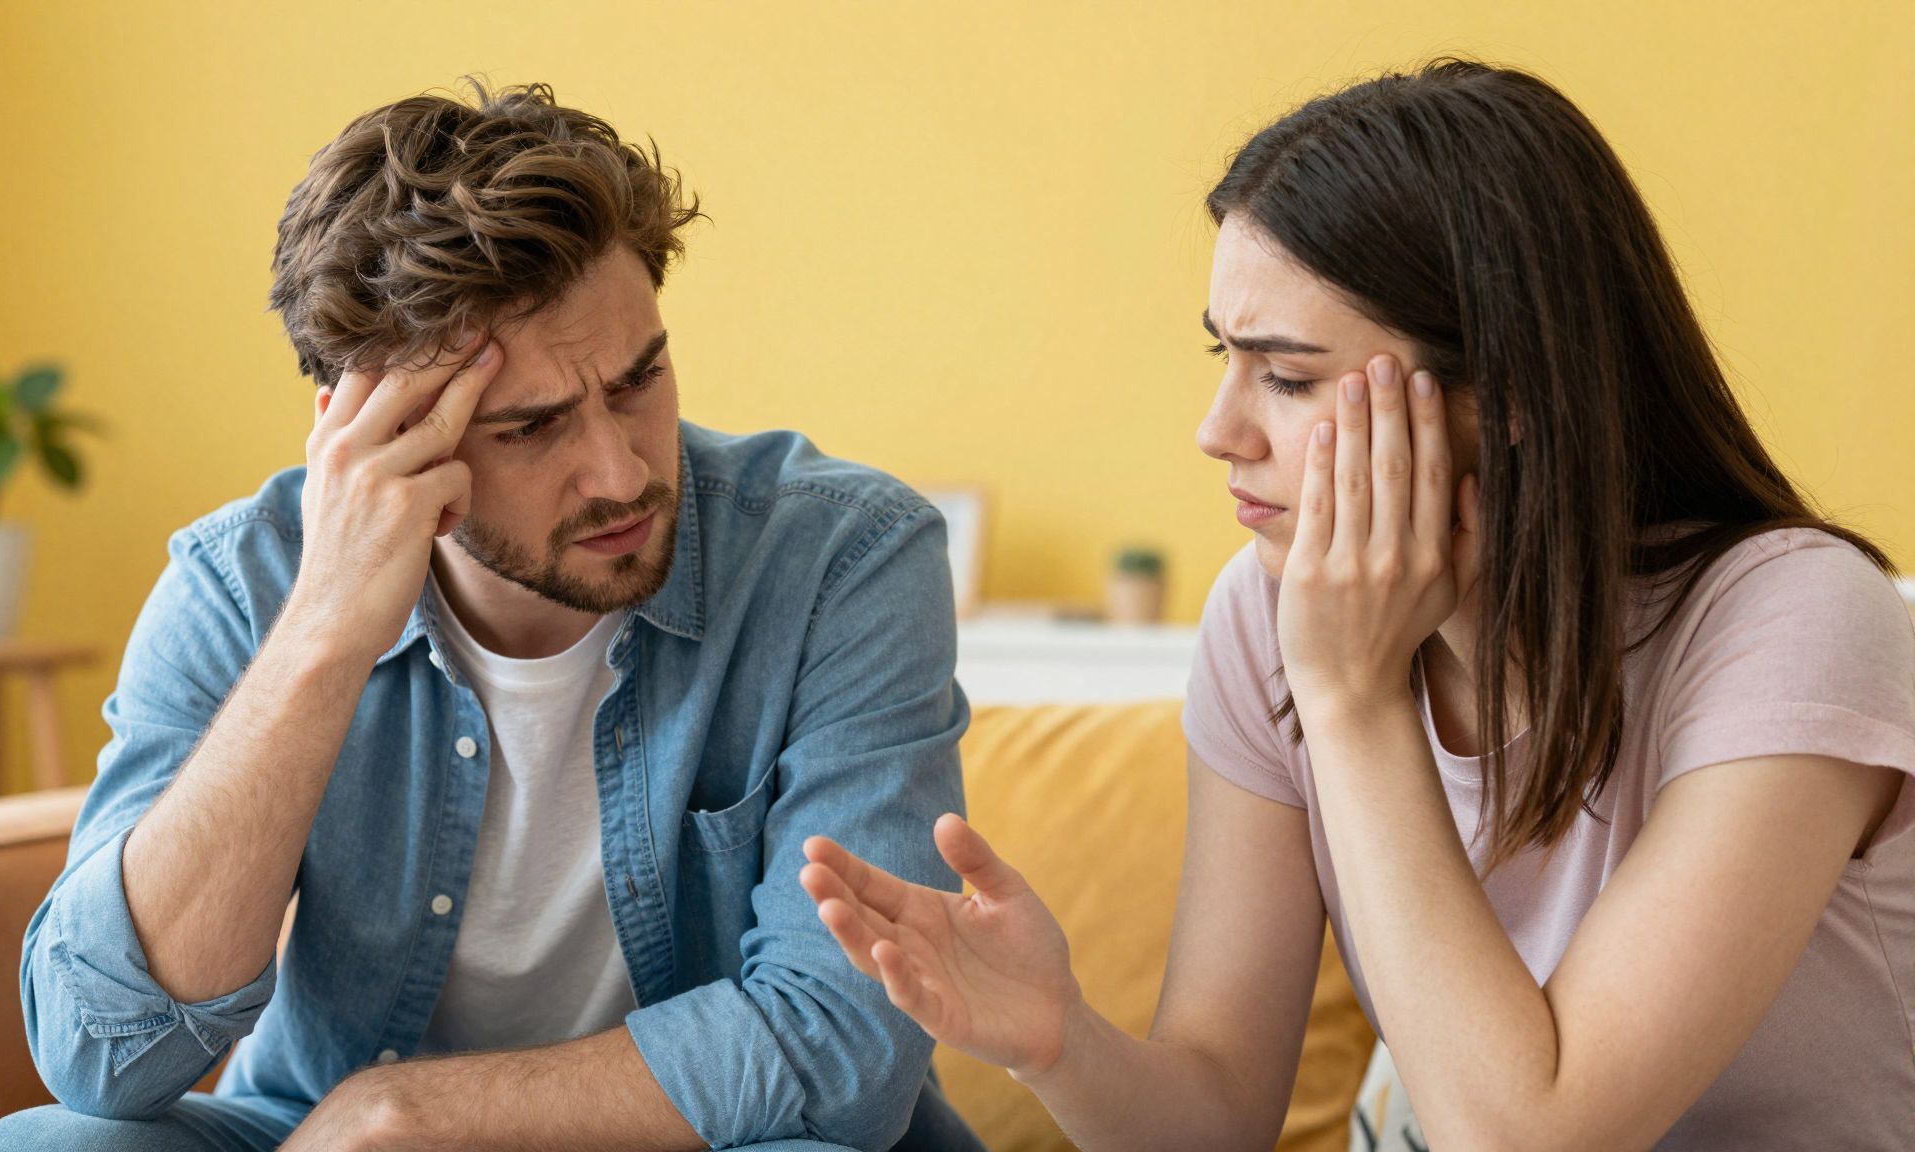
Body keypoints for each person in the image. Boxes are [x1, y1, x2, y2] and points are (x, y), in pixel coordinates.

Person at [802, 59, 1915, 1150]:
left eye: (1286, 378)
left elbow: (1528, 1133)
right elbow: (1218, 1111)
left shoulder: (1796, 621)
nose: (1217, 429)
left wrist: (1350, 697)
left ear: (1511, 394)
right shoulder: (1265, 613)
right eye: (1222, 357)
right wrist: (1056, 1043)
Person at [0, 81, 980, 1152]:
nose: (619, 470)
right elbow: (101, 1054)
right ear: (372, 429)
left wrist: (405, 1116)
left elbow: (841, 1047)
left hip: (710, 1139)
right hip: (315, 1129)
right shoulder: (242, 583)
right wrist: (323, 632)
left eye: (638, 382)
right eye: (532, 427)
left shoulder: (841, 559)